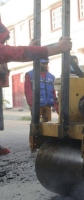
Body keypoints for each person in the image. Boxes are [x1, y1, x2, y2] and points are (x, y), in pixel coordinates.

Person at [0, 21, 72, 157]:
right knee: (36, 126)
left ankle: (46, 146)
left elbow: (52, 91)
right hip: (36, 105)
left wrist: (55, 105)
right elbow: (17, 53)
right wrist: (57, 48)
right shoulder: (31, 74)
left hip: (46, 105)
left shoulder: (50, 76)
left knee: (47, 126)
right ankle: (34, 146)